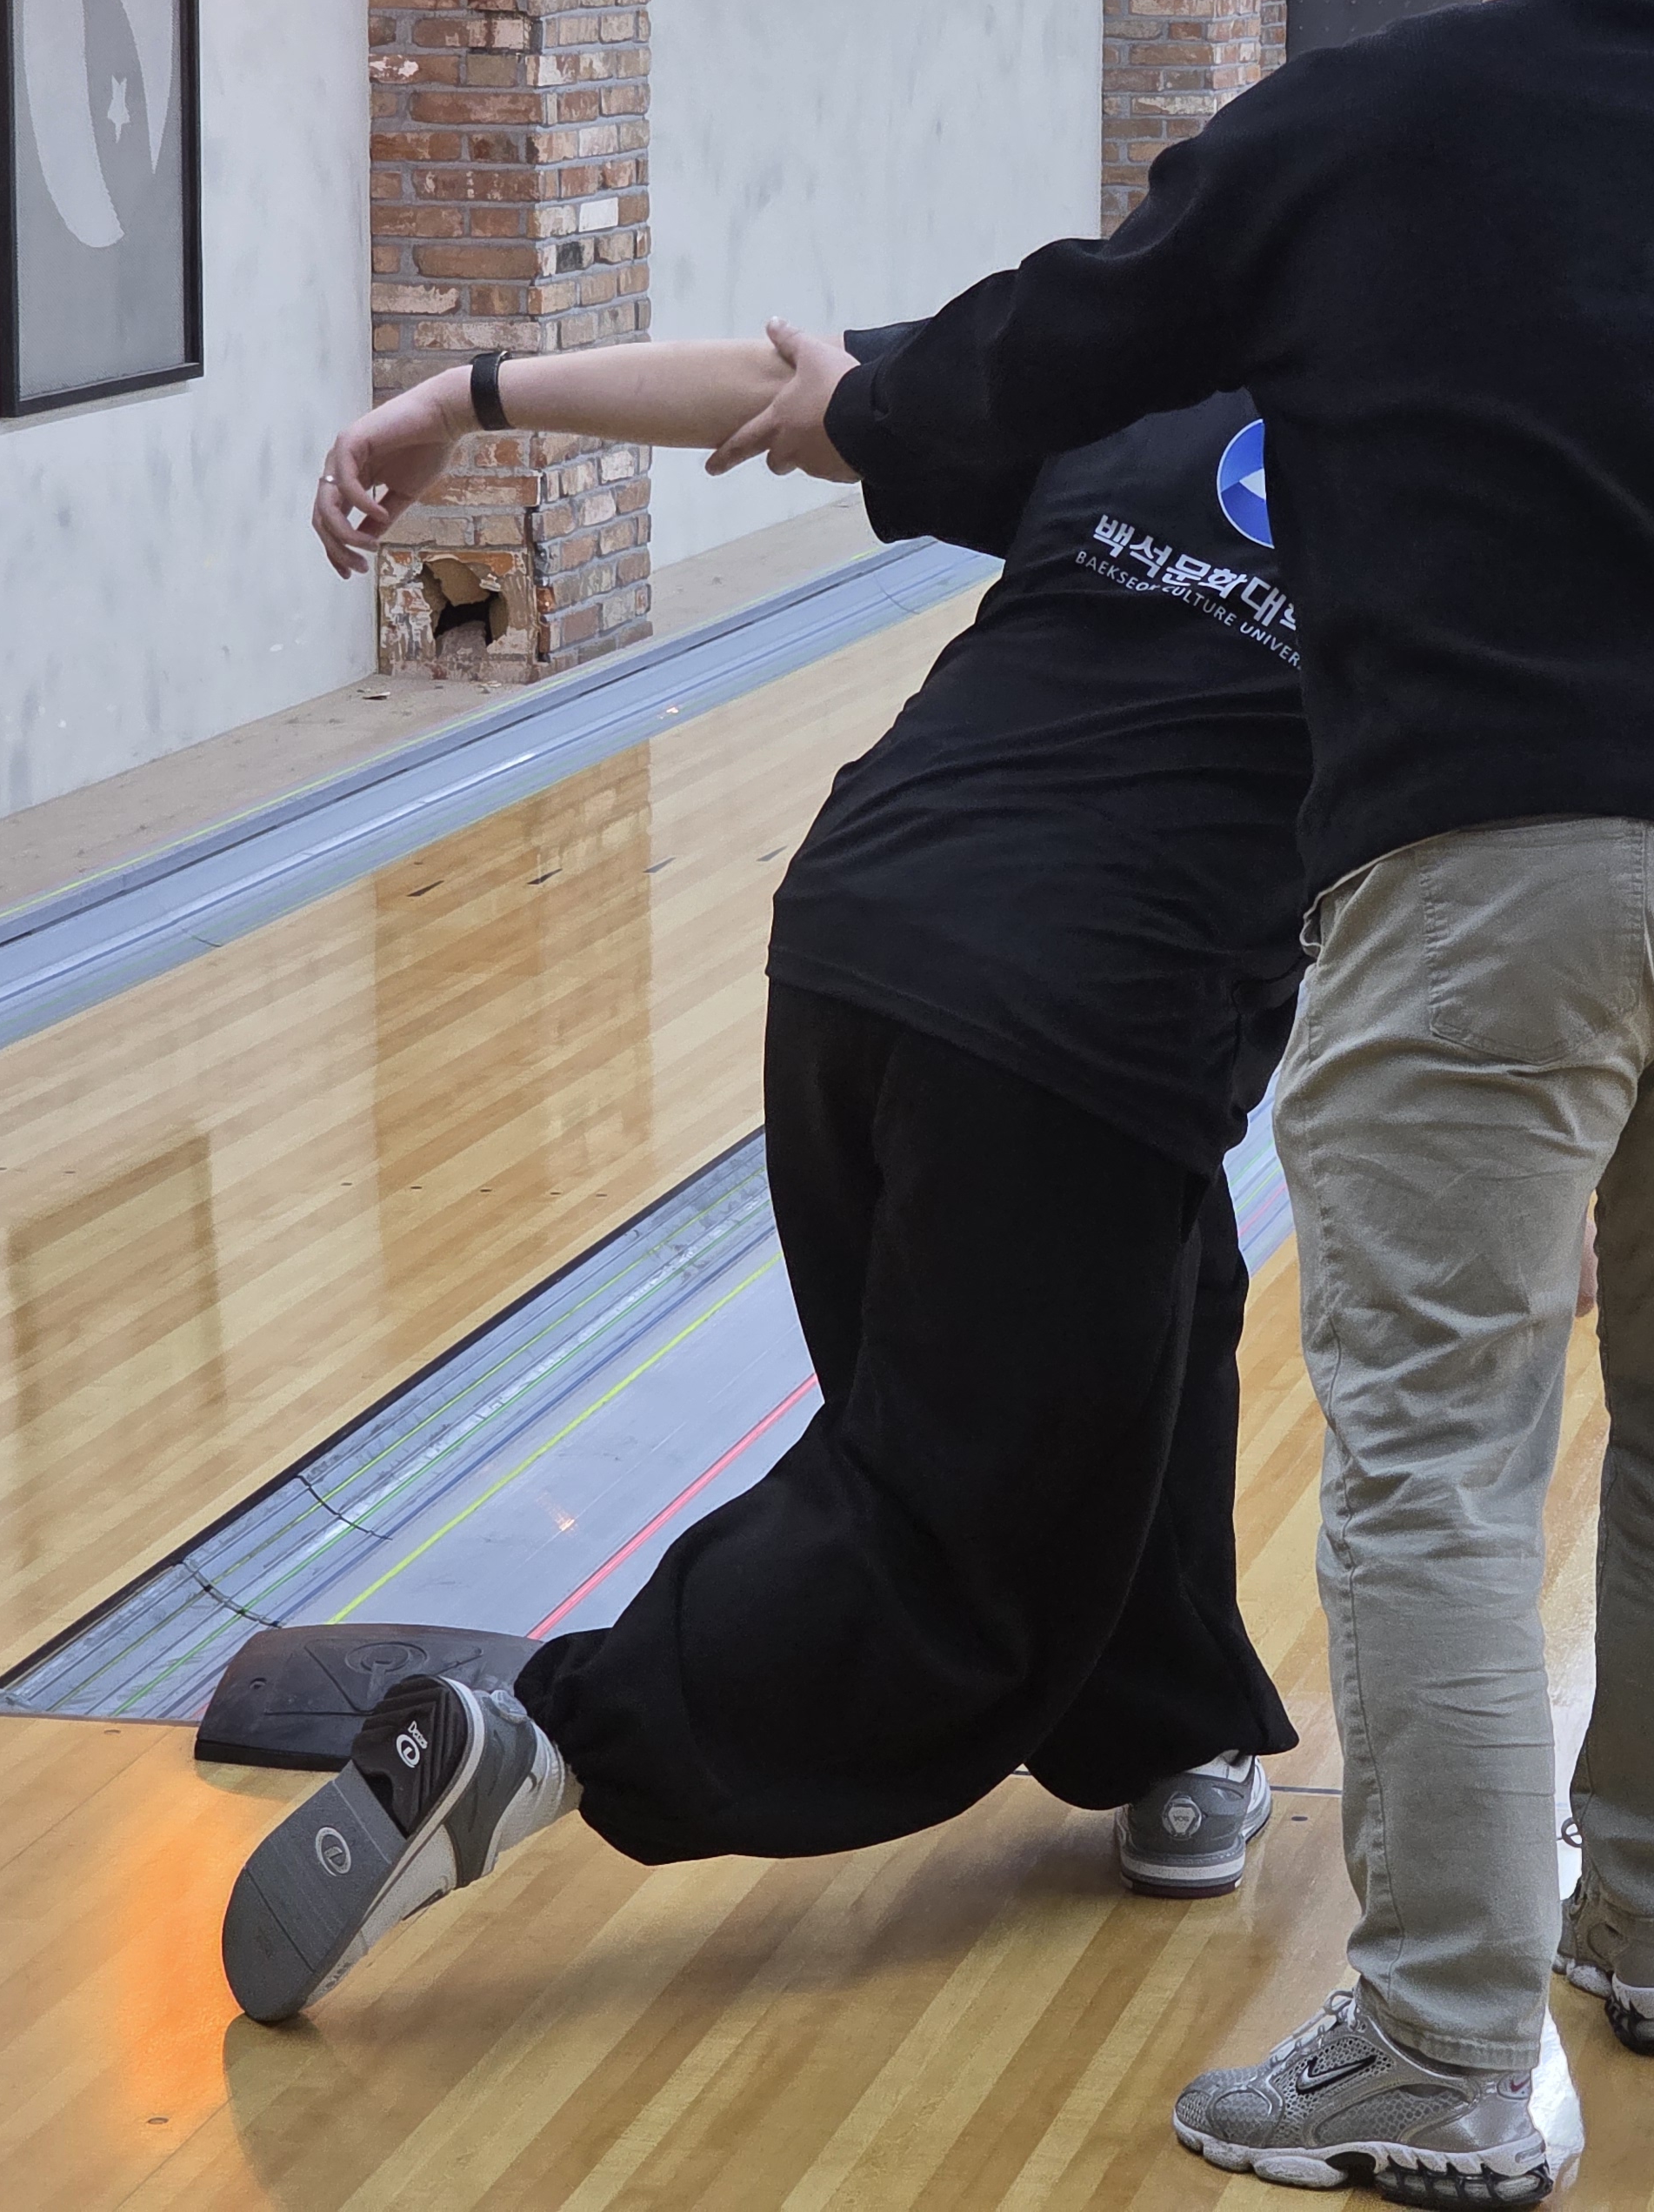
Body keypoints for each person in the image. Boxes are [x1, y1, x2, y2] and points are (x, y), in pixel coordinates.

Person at [720, 0, 1654, 2207]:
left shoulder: (1368, 115)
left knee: (1443, 1463)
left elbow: (1055, 348)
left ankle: (1442, 2051)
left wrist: (864, 404)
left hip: (1495, 851)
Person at [220, 327, 1313, 2023]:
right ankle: (549, 1741)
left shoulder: (1141, 387)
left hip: (857, 941)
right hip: (1078, 1023)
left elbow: (773, 383)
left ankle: (1167, 1727)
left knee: (1156, 1291)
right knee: (947, 1541)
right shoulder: (1479, 498)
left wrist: (462, 399)